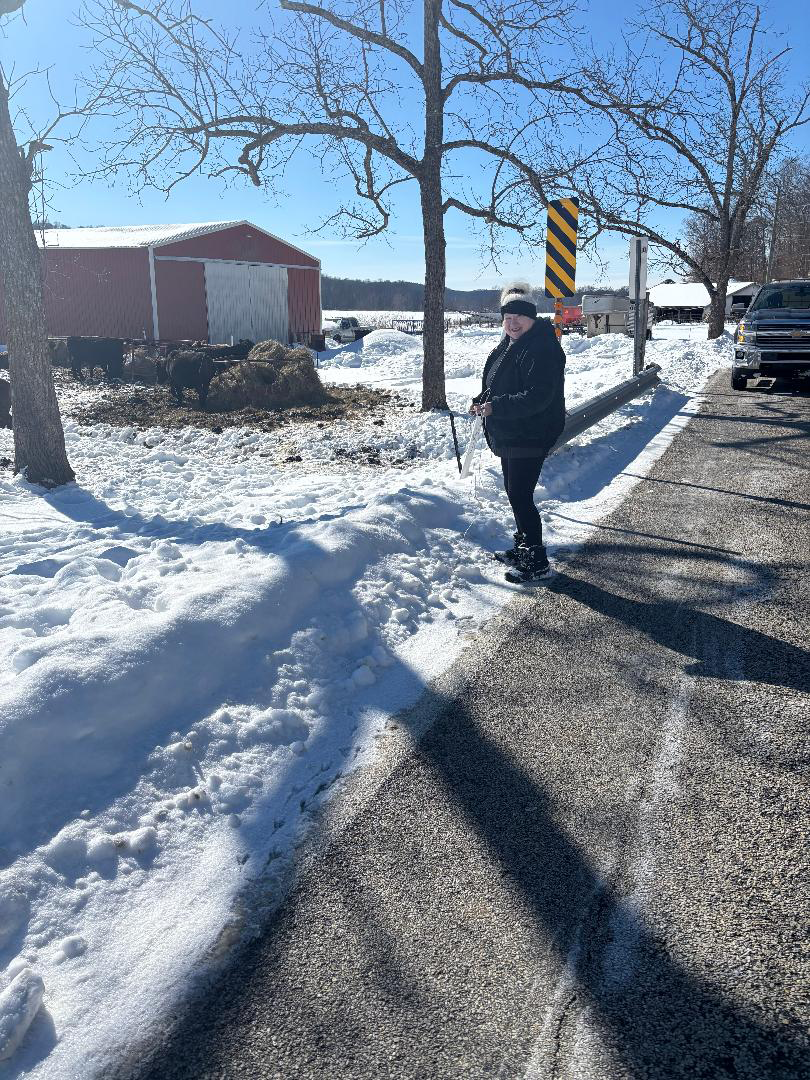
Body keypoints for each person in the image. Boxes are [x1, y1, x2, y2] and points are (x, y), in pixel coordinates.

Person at [470, 282, 566, 583]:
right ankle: (524, 547)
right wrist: (482, 399)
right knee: (515, 494)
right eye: (507, 317)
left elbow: (539, 395)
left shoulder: (541, 348)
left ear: (532, 318)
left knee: (521, 496)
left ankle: (537, 561)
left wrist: (496, 407)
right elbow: (497, 382)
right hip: (513, 430)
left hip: (531, 431)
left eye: (519, 318)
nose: (512, 323)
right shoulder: (511, 344)